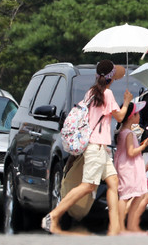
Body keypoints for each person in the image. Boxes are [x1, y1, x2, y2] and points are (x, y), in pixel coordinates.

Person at [42, 60, 132, 235]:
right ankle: (53, 215)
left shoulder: (91, 92)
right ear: (111, 78)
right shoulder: (108, 94)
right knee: (88, 186)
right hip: (96, 147)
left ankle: (114, 229)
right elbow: (120, 117)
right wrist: (127, 101)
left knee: (113, 182)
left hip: (100, 148)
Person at [114, 100, 148, 233]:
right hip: (129, 168)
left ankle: (128, 225)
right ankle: (122, 226)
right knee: (126, 196)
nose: (139, 116)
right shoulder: (128, 133)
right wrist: (143, 146)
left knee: (135, 194)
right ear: (131, 116)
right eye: (137, 114)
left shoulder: (124, 131)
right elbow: (131, 152)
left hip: (127, 166)